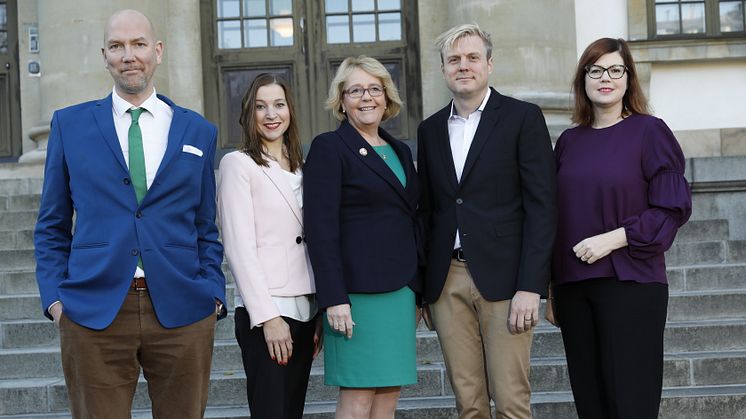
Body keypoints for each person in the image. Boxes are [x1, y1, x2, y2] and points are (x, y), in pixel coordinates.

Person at [33, 9, 226, 419]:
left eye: (138, 44)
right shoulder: (70, 125)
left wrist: (212, 292)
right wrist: (54, 299)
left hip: (182, 309)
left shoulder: (198, 132)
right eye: (117, 46)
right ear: (104, 55)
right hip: (93, 311)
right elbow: (51, 225)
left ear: (157, 51)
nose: (129, 55)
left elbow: (204, 225)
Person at [545, 37, 691, 419]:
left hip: (631, 284)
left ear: (629, 78)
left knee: (630, 404)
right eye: (595, 70)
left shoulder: (650, 132)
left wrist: (612, 240)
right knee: (591, 406)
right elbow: (554, 216)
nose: (604, 78)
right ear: (583, 79)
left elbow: (671, 208)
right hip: (574, 287)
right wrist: (550, 287)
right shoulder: (569, 141)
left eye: (614, 69)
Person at [417, 23, 557, 418]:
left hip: (507, 281)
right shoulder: (429, 131)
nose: (464, 66)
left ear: (489, 64)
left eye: (472, 57)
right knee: (469, 403)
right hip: (447, 282)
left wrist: (532, 285)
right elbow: (427, 212)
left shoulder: (522, 118)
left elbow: (542, 207)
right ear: (444, 69)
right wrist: (426, 289)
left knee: (512, 401)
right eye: (454, 59)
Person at [303, 55, 420, 418]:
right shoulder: (329, 147)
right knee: (357, 396)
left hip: (400, 293)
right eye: (355, 90)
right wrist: (333, 298)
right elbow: (320, 229)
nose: (366, 97)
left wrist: (418, 287)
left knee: (387, 396)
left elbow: (411, 219)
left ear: (387, 98)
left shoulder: (400, 149)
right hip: (354, 297)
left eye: (374, 89)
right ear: (341, 100)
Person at [218, 73, 322, 419]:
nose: (270, 114)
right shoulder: (238, 164)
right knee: (270, 411)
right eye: (260, 107)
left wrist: (319, 307)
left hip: (306, 308)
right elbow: (238, 247)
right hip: (269, 310)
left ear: (289, 110)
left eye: (278, 105)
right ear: (250, 114)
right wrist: (268, 317)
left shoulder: (305, 169)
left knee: (292, 411)